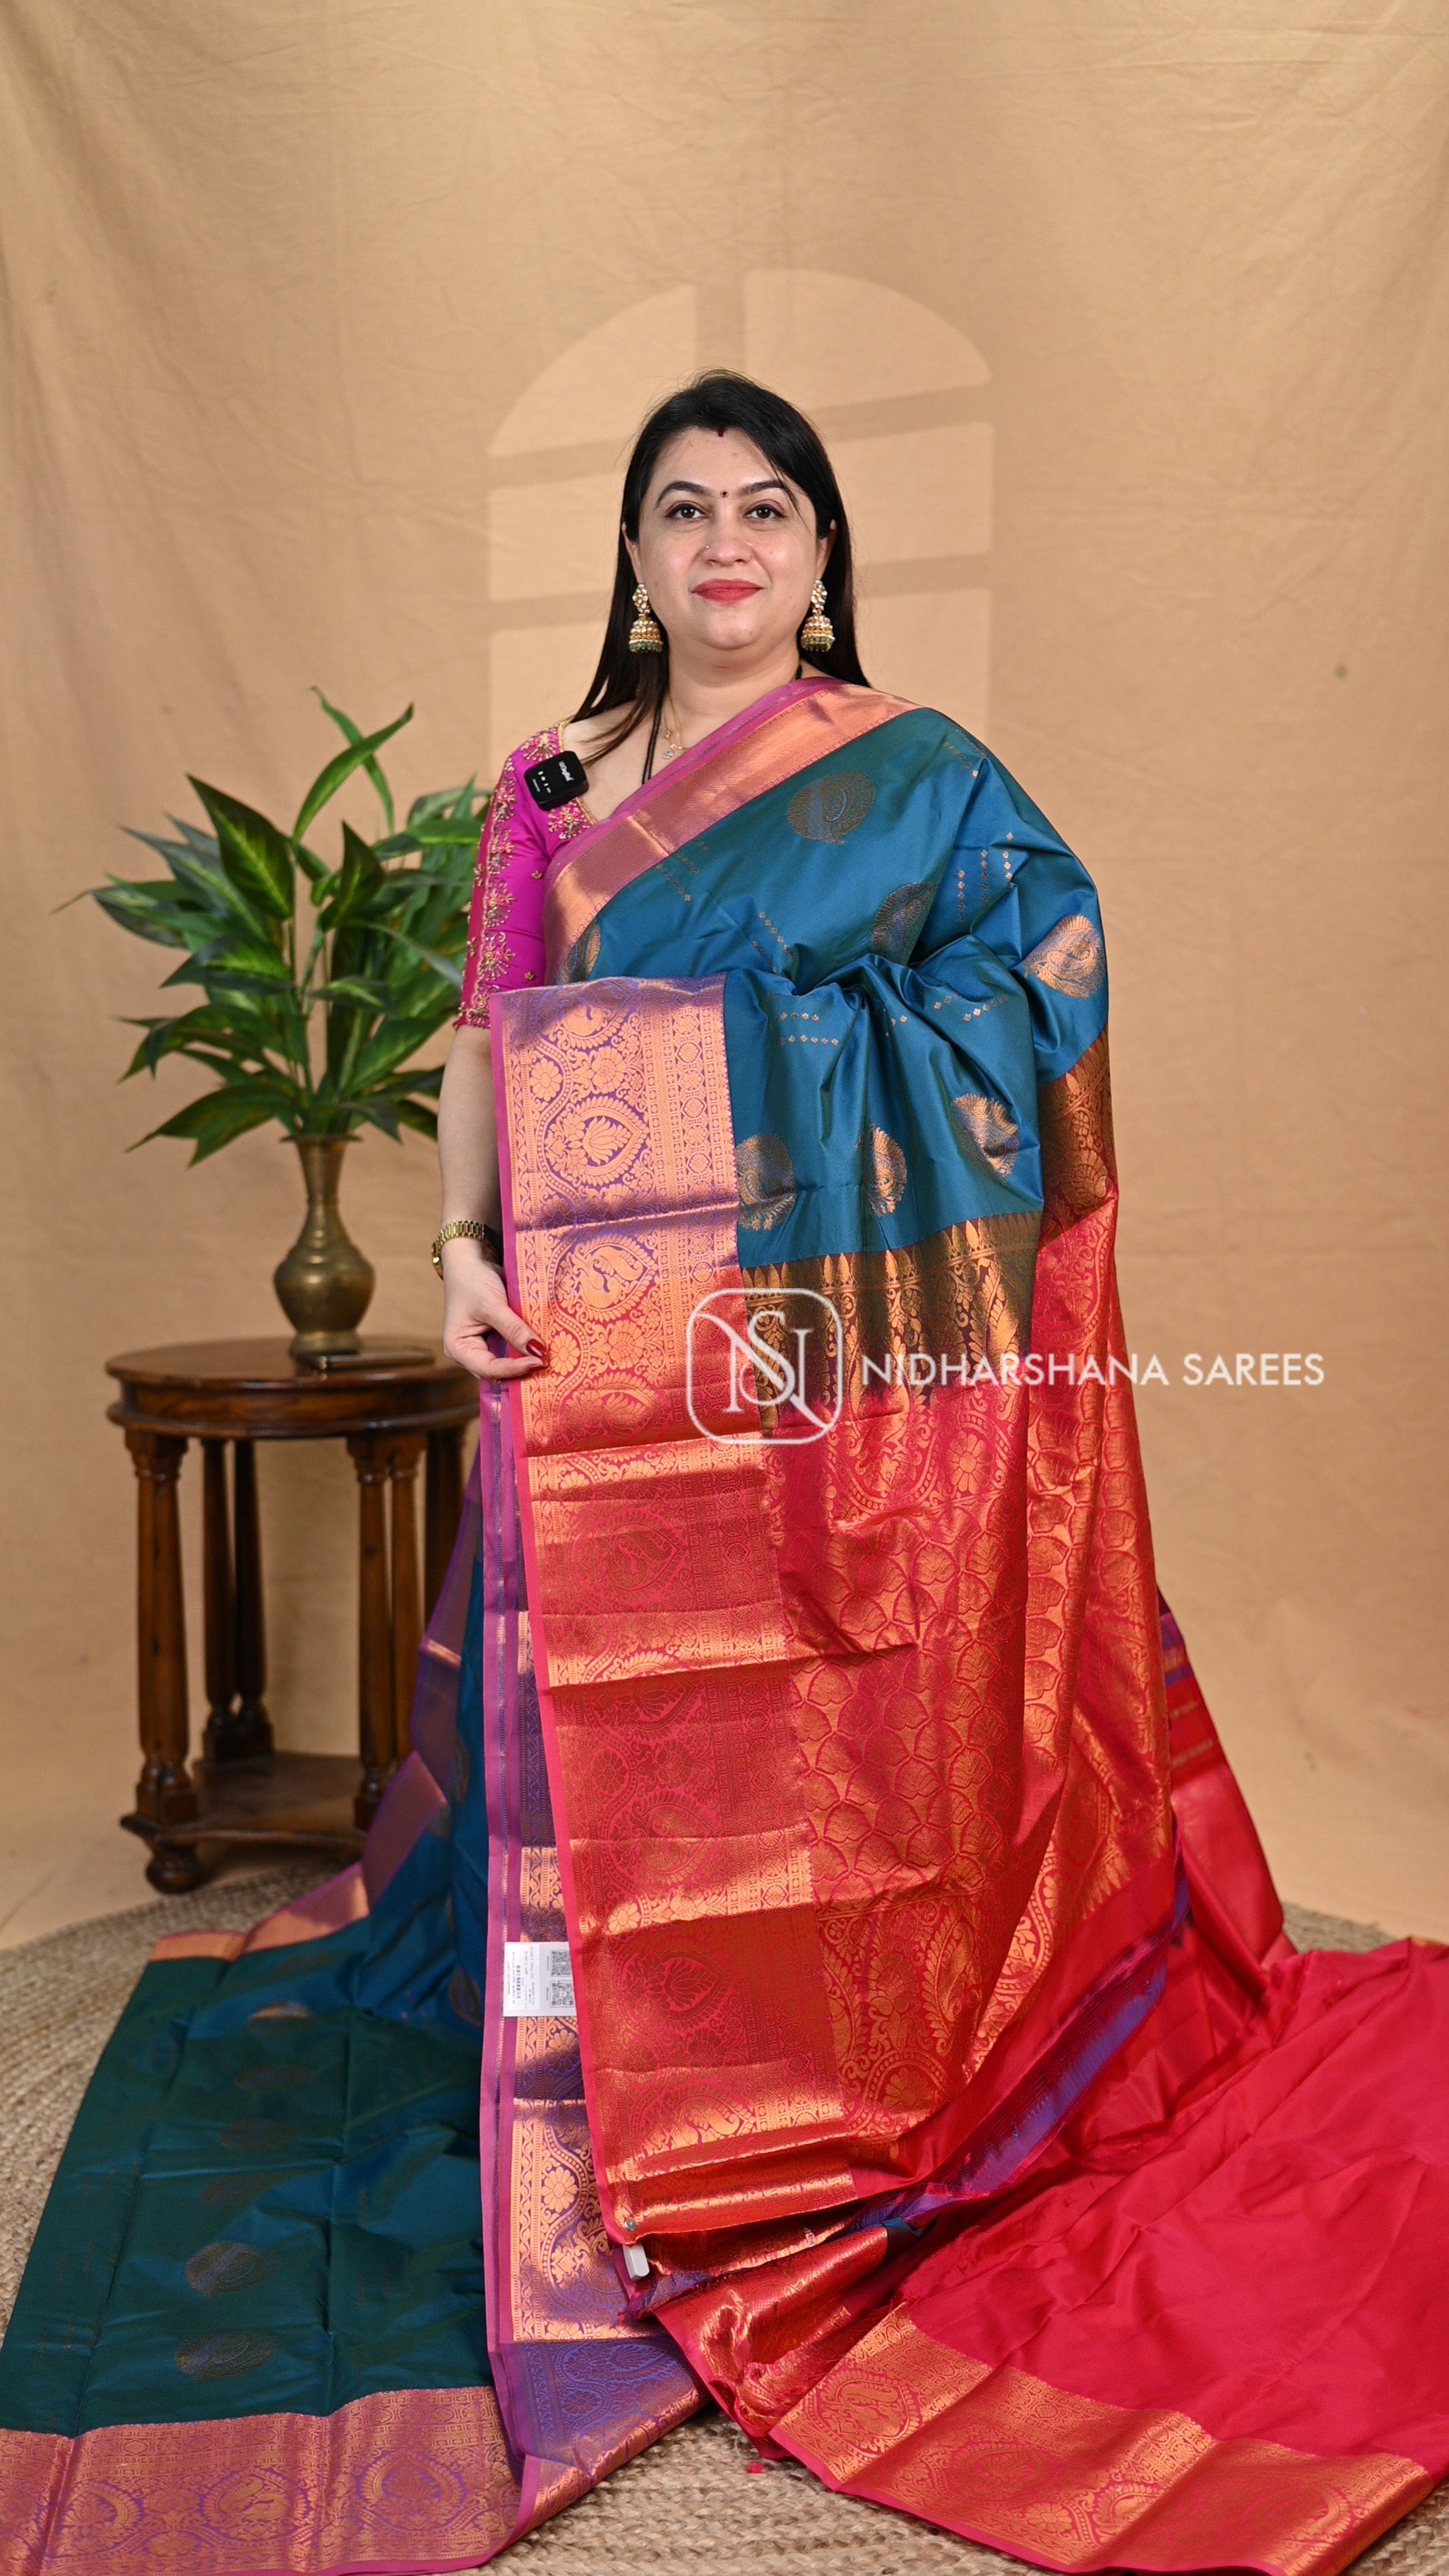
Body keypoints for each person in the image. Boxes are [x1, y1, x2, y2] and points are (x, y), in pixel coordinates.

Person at [1, 374, 1443, 2576]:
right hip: (600, 1355)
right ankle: (605, 2059)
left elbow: (1034, 1013)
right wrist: (461, 1250)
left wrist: (746, 1066)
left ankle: (826, 2053)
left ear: (821, 550)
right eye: (682, 511)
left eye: (766, 508)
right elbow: (491, 1038)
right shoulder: (553, 790)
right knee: (609, 1726)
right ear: (634, 556)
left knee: (822, 1719)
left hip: (842, 1365)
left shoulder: (919, 774)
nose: (725, 546)